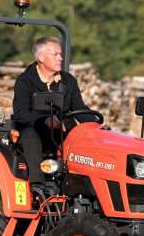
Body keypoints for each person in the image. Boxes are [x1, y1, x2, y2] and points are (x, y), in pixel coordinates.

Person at [13, 37, 95, 194]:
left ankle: (79, 184)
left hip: (60, 130)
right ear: (41, 58)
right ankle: (38, 185)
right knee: (30, 134)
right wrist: (44, 120)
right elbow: (21, 114)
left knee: (82, 138)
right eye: (55, 54)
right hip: (34, 130)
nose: (60, 58)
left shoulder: (68, 81)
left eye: (61, 54)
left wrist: (96, 125)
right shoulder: (25, 81)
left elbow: (79, 107)